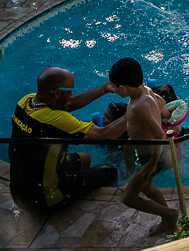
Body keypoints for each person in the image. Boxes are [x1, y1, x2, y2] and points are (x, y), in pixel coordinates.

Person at [9, 67, 127, 213]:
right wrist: (136, 108)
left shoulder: (25, 102)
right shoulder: (55, 120)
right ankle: (108, 207)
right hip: (45, 199)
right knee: (109, 171)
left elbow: (69, 103)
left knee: (85, 158)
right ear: (57, 92)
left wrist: (104, 88)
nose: (72, 94)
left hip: (19, 192)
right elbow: (105, 135)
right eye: (70, 90)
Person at [108, 57, 181, 236]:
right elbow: (162, 108)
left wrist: (151, 163)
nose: (113, 90)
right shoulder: (147, 91)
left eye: (114, 87)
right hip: (150, 155)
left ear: (123, 88)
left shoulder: (138, 105)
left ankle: (170, 215)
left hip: (152, 156)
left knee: (128, 198)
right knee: (147, 187)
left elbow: (158, 135)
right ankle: (168, 222)